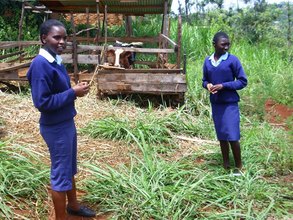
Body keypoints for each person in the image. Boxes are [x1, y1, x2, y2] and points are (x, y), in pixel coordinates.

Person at [27, 19, 96, 219]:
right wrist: (73, 93)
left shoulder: (54, 60)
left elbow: (57, 90)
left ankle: (73, 206)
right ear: (43, 38)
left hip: (66, 123)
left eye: (64, 38)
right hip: (56, 127)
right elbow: (42, 102)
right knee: (60, 175)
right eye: (56, 37)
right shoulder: (41, 64)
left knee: (68, 168)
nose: (62, 41)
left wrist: (74, 88)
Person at [202, 31, 248, 174]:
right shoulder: (208, 61)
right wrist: (208, 85)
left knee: (233, 136)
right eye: (223, 44)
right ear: (214, 44)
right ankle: (226, 165)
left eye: (228, 44)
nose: (226, 47)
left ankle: (239, 168)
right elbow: (204, 80)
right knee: (222, 136)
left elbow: (242, 81)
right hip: (216, 103)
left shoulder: (233, 60)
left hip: (229, 103)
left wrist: (224, 86)